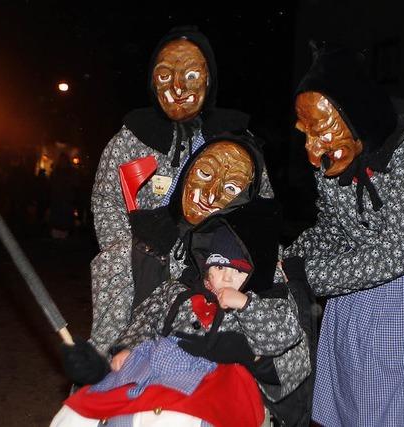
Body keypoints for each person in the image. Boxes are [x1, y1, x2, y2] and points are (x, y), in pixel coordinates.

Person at [60, 134, 312, 426]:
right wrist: (96, 366)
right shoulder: (134, 249)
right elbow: (120, 336)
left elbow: (295, 364)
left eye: (231, 187)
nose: (209, 195)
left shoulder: (263, 262)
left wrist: (252, 358)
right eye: (204, 174)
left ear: (248, 197)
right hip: (144, 382)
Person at [89, 26, 273, 356]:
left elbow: (261, 205)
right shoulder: (130, 138)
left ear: (209, 80)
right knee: (120, 352)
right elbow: (106, 198)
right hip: (140, 263)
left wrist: (231, 257)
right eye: (165, 76)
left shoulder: (233, 137)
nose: (177, 87)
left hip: (212, 263)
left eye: (190, 75)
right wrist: (125, 251)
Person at [278, 42, 404, 426]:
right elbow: (332, 229)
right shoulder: (332, 164)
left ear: (359, 118)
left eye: (321, 130)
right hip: (353, 300)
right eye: (304, 133)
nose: (311, 150)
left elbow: (397, 251)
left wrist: (309, 274)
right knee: (353, 400)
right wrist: (287, 259)